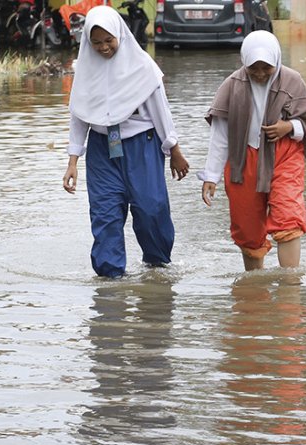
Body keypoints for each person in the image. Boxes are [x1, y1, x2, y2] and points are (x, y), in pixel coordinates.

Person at [62, 6, 189, 278]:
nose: (104, 48)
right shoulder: (85, 70)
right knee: (105, 213)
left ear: (120, 34)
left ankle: (157, 268)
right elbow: (80, 114)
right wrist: (72, 160)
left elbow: (160, 111)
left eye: (109, 40)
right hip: (101, 149)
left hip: (141, 145)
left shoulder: (143, 68)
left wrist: (174, 149)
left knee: (150, 209)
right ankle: (110, 282)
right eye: (96, 43)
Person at [198, 30, 306, 271]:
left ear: (276, 61)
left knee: (288, 216)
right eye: (254, 68)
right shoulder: (232, 85)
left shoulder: (293, 81)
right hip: (243, 157)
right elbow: (220, 135)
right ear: (244, 63)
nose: (261, 74)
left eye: (266, 68)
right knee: (247, 226)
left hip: (284, 155)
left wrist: (288, 127)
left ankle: (290, 288)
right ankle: (253, 291)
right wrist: (211, 176)